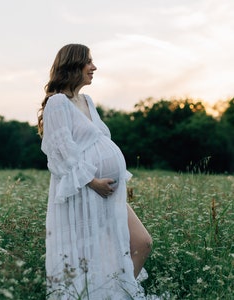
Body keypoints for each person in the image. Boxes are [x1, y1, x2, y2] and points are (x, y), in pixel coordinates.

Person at [38, 44, 153, 299]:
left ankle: (118, 295)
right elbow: (59, 152)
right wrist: (93, 181)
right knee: (90, 258)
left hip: (108, 191)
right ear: (73, 66)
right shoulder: (58, 103)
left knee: (141, 243)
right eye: (88, 62)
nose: (94, 67)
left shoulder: (87, 101)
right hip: (85, 192)